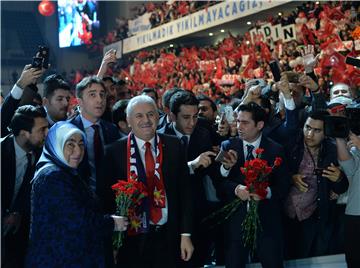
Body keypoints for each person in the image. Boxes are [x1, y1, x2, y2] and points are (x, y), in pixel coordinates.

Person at [104, 95, 194, 268]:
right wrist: (113, 243)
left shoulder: (175, 145)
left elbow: (186, 193)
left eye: (151, 114)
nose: (146, 120)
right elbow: (106, 200)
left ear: (158, 117)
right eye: (139, 116)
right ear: (128, 120)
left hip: (170, 235)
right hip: (132, 240)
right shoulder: (113, 152)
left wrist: (186, 234)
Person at [25, 121, 128, 267]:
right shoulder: (53, 177)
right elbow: (77, 221)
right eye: (70, 144)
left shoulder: (65, 172)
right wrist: (112, 223)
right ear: (57, 145)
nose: (78, 151)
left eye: (81, 144)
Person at [215, 102, 291, 268]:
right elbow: (219, 183)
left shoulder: (275, 149)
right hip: (236, 224)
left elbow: (284, 185)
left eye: (245, 122)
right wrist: (234, 186)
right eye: (238, 121)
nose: (239, 126)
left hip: (268, 224)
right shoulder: (228, 146)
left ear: (260, 125)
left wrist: (266, 192)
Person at [283, 111, 348, 259]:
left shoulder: (333, 152)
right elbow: (275, 176)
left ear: (326, 133)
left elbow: (341, 188)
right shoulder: (290, 145)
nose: (310, 134)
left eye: (317, 130)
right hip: (284, 213)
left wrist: (338, 179)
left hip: (314, 217)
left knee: (307, 260)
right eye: (307, 127)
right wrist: (291, 178)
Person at [1, 105, 48, 268]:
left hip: (18, 229)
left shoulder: (40, 153)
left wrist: (17, 213)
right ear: (23, 133)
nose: (46, 134)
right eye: (41, 130)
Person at [336, 133, 360, 268]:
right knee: (354, 261)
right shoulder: (356, 145)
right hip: (354, 213)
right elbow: (349, 168)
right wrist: (338, 137)